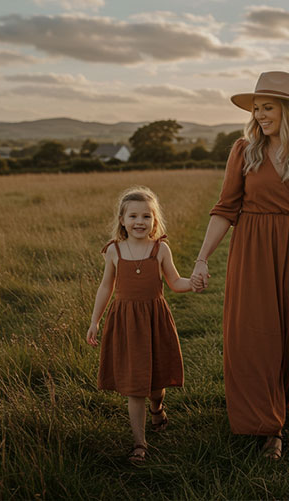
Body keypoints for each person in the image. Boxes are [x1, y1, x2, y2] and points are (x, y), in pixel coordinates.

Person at [190, 71, 289, 460]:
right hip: (252, 252)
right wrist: (201, 258)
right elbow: (225, 209)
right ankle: (270, 428)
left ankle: (277, 405)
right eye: (256, 108)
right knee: (255, 337)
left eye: (268, 108)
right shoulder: (243, 150)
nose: (260, 115)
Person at [87, 186, 192, 463]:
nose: (139, 222)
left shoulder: (160, 250)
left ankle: (158, 408)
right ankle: (140, 444)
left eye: (146, 216)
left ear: (154, 221)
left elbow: (175, 282)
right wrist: (95, 321)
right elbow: (106, 287)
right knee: (135, 386)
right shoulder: (114, 251)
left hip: (154, 321)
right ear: (122, 220)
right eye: (133, 216)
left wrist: (192, 283)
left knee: (155, 383)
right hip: (125, 322)